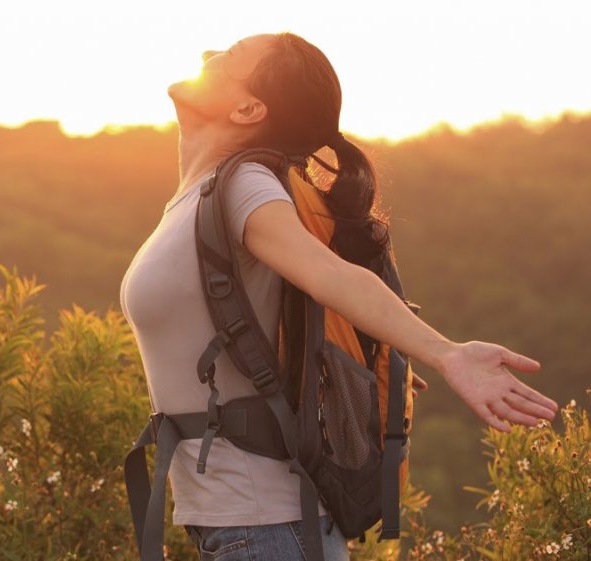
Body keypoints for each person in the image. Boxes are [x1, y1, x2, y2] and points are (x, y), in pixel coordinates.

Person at [118, 32, 559, 561]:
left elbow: (334, 276)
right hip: (241, 528)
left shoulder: (245, 186)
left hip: (270, 530)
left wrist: (446, 352)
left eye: (230, 57)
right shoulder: (199, 196)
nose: (207, 55)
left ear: (248, 107)